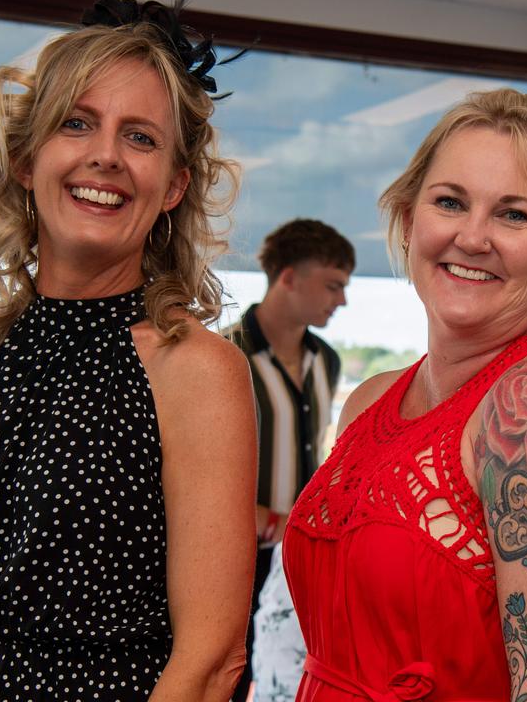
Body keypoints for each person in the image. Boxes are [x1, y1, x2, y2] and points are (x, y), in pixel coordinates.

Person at [0, 0, 258, 701]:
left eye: (140, 137)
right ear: (25, 158)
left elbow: (211, 657)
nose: (105, 156)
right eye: (77, 124)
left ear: (173, 186)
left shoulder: (195, 370)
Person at [283, 89, 527, 701]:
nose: (473, 238)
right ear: (408, 216)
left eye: (514, 215)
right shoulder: (370, 401)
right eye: (450, 202)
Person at [223, 218, 354, 701]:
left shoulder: (328, 360)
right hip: (231, 561)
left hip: (297, 561)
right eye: (333, 285)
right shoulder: (224, 354)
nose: (341, 300)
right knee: (227, 678)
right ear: (289, 277)